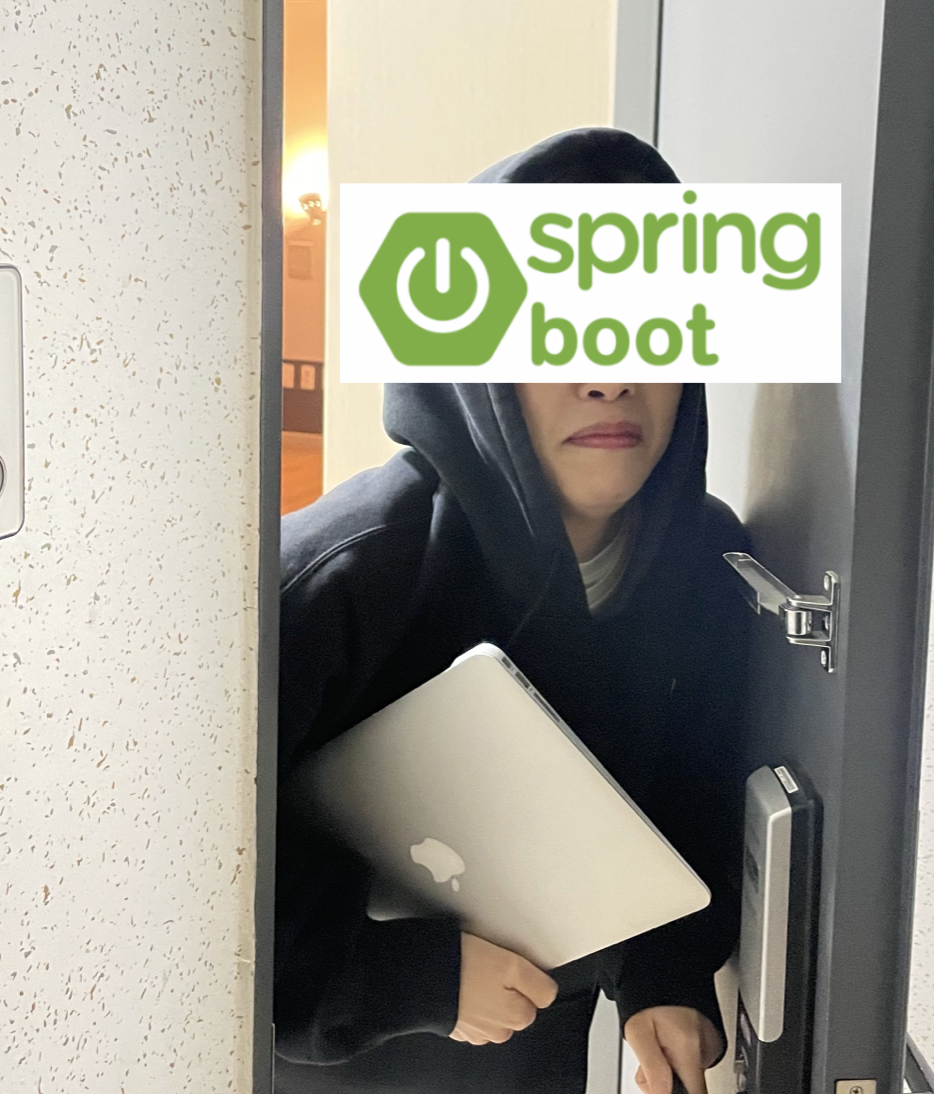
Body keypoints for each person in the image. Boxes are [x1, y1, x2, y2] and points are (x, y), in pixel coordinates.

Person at [273, 129, 755, 1094]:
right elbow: (204, 870)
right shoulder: (343, 572)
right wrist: (410, 979)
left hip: (532, 1060)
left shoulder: (707, 566)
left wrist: (663, 973)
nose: (609, 376)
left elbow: (692, 791)